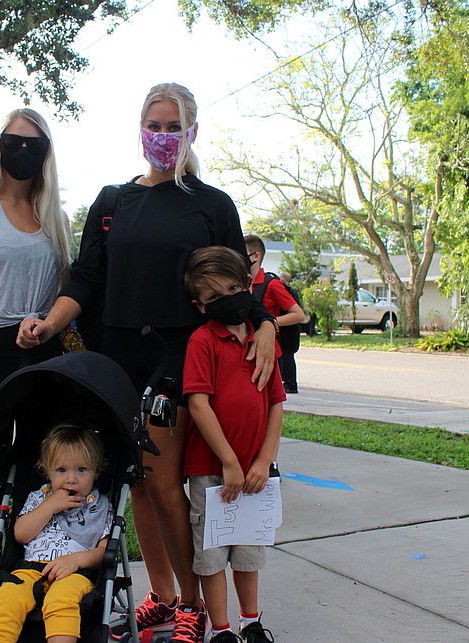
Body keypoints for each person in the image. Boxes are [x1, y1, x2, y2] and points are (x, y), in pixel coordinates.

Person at [17, 83, 278, 643]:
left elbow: (239, 285)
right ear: (140, 130)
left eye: (172, 126)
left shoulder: (212, 204)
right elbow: (86, 279)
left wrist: (265, 327)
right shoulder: (112, 202)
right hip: (116, 362)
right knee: (134, 484)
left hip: (178, 361)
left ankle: (192, 602)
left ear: (191, 133)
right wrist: (49, 322)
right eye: (153, 126)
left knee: (162, 484)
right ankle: (160, 596)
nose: (162, 136)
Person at [0, 108, 72, 643]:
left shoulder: (55, 218)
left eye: (34, 144)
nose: (22, 152)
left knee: (35, 483)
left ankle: (19, 593)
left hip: (43, 353)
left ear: (46, 154)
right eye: (12, 142)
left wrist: (46, 327)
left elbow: (68, 292)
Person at [182, 246, 283, 643]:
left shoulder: (262, 342)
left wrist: (264, 459)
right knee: (211, 557)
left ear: (248, 285)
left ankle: (251, 623)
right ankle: (222, 630)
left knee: (248, 553)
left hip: (256, 472)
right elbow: (198, 404)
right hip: (213, 472)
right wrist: (229, 461)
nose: (227, 300)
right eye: (214, 297)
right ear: (200, 306)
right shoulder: (202, 342)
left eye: (233, 288)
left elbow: (275, 403)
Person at [0, 424, 113, 643]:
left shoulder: (99, 506)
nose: (71, 479)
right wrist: (50, 506)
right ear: (48, 471)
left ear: (96, 472)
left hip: (74, 574)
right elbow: (21, 534)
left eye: (81, 470)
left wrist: (76, 560)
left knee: (61, 599)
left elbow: (104, 551)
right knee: (6, 598)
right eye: (61, 470)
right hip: (30, 571)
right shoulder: (39, 498)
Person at [243, 236, 305, 395]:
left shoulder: (272, 284)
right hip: (247, 349)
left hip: (269, 350)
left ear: (256, 256)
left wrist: (269, 322)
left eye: (243, 254)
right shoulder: (242, 283)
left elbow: (298, 314)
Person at [277, 272, 304, 394]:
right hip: (291, 331)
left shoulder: (288, 292)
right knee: (287, 357)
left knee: (287, 357)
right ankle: (288, 382)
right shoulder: (292, 292)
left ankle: (291, 384)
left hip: (289, 332)